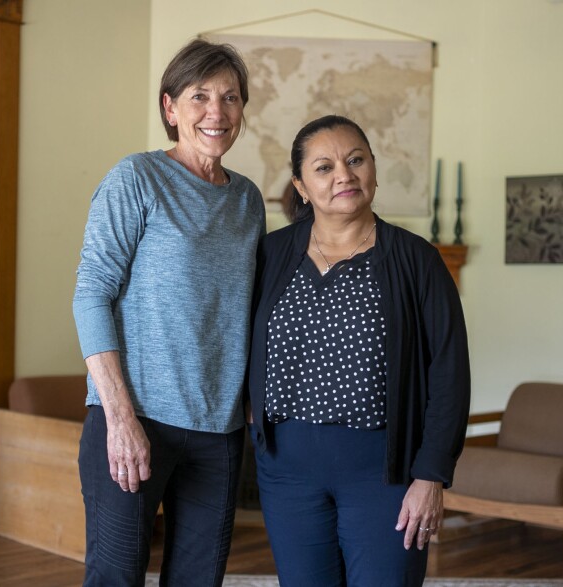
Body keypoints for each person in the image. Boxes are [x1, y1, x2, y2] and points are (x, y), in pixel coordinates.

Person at [72, 38, 265, 587]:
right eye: (200, 96)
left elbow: (246, 307)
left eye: (230, 97)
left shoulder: (248, 200)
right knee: (116, 576)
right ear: (170, 107)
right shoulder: (137, 178)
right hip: (135, 419)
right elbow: (91, 293)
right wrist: (120, 418)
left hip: (218, 429)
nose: (216, 112)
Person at [247, 115, 470, 586]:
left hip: (385, 472)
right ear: (301, 186)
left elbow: (449, 373)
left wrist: (431, 475)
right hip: (286, 471)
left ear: (373, 169)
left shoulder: (417, 260)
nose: (344, 176)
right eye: (324, 167)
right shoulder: (270, 254)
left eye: (355, 160)